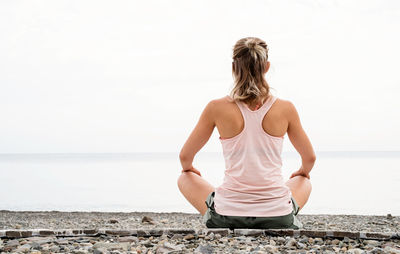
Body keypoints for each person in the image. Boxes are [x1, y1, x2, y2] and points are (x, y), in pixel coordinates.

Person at [177, 37, 315, 230]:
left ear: (234, 68)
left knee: (184, 177)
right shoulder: (286, 108)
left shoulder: (216, 107)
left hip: (226, 216)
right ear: (266, 67)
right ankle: (274, 209)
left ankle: (229, 208)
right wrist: (302, 172)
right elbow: (309, 158)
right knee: (303, 180)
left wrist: (189, 168)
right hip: (278, 216)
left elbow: (185, 156)